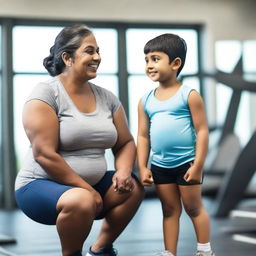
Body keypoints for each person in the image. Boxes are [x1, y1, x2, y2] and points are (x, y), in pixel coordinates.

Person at [15, 24, 144, 256]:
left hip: (89, 188)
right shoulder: (45, 94)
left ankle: (100, 249)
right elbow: (44, 154)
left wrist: (124, 171)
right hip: (38, 186)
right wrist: (86, 189)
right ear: (67, 57)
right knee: (82, 200)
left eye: (98, 51)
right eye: (89, 51)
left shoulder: (107, 98)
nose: (97, 57)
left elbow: (125, 142)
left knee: (132, 187)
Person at [137, 33, 215, 256]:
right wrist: (142, 166)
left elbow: (202, 131)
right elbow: (143, 136)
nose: (149, 65)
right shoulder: (146, 100)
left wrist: (198, 165)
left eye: (155, 59)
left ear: (175, 63)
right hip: (161, 165)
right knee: (169, 210)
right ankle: (169, 252)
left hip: (187, 163)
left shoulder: (189, 95)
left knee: (193, 208)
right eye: (146, 60)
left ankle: (204, 250)